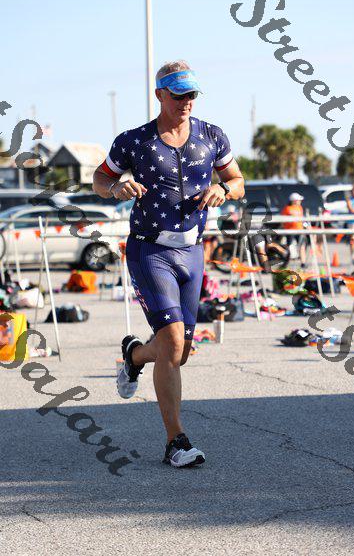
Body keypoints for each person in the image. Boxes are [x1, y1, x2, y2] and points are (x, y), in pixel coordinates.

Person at [93, 61, 244, 468]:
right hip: (150, 250)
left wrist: (224, 188)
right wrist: (116, 187)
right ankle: (175, 441)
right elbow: (99, 180)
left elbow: (238, 180)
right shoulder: (134, 141)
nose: (186, 102)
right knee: (174, 342)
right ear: (159, 94)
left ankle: (134, 356)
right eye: (178, 95)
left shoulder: (212, 135)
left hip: (193, 251)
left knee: (179, 352)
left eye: (191, 94)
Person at [280, 192, 307, 267]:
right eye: (298, 200)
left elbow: (301, 218)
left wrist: (304, 226)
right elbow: (283, 220)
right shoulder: (287, 208)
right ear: (294, 200)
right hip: (290, 230)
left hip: (299, 230)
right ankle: (286, 262)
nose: (300, 201)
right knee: (289, 247)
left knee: (302, 246)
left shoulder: (300, 208)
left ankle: (303, 263)